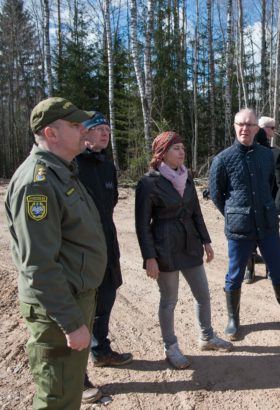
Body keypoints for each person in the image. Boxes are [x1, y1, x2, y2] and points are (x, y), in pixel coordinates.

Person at [4, 97, 107, 409]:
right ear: (51, 133)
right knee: (56, 399)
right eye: (75, 125)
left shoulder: (62, 171)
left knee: (68, 389)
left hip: (75, 298)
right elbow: (38, 265)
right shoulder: (37, 184)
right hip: (58, 310)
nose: (83, 130)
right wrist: (71, 323)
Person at [135, 131, 232, 369]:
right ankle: (171, 347)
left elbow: (196, 212)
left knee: (203, 295)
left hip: (190, 244)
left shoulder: (187, 177)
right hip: (164, 247)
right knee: (169, 301)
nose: (182, 152)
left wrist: (206, 242)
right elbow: (141, 225)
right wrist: (149, 257)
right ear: (163, 153)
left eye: (182, 148)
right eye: (176, 148)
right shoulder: (148, 183)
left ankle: (206, 337)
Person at [209, 108, 280, 340]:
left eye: (250, 125)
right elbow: (216, 195)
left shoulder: (266, 155)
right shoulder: (222, 159)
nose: (245, 128)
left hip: (268, 225)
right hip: (240, 228)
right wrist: (235, 213)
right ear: (234, 127)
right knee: (235, 274)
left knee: (278, 270)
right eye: (240, 124)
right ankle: (234, 320)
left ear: (256, 129)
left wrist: (268, 207)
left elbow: (272, 185)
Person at [76, 112, 133, 403]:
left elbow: (109, 207)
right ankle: (77, 376)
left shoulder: (108, 166)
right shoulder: (71, 166)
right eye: (97, 128)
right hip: (82, 253)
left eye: (107, 129)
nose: (104, 133)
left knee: (106, 301)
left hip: (108, 248)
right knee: (83, 311)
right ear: (82, 134)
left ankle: (101, 352)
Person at [243, 116, 280, 283]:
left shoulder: (275, 154)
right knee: (249, 239)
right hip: (248, 206)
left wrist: (278, 206)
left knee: (270, 239)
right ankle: (249, 269)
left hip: (268, 206)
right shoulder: (244, 153)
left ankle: (271, 269)